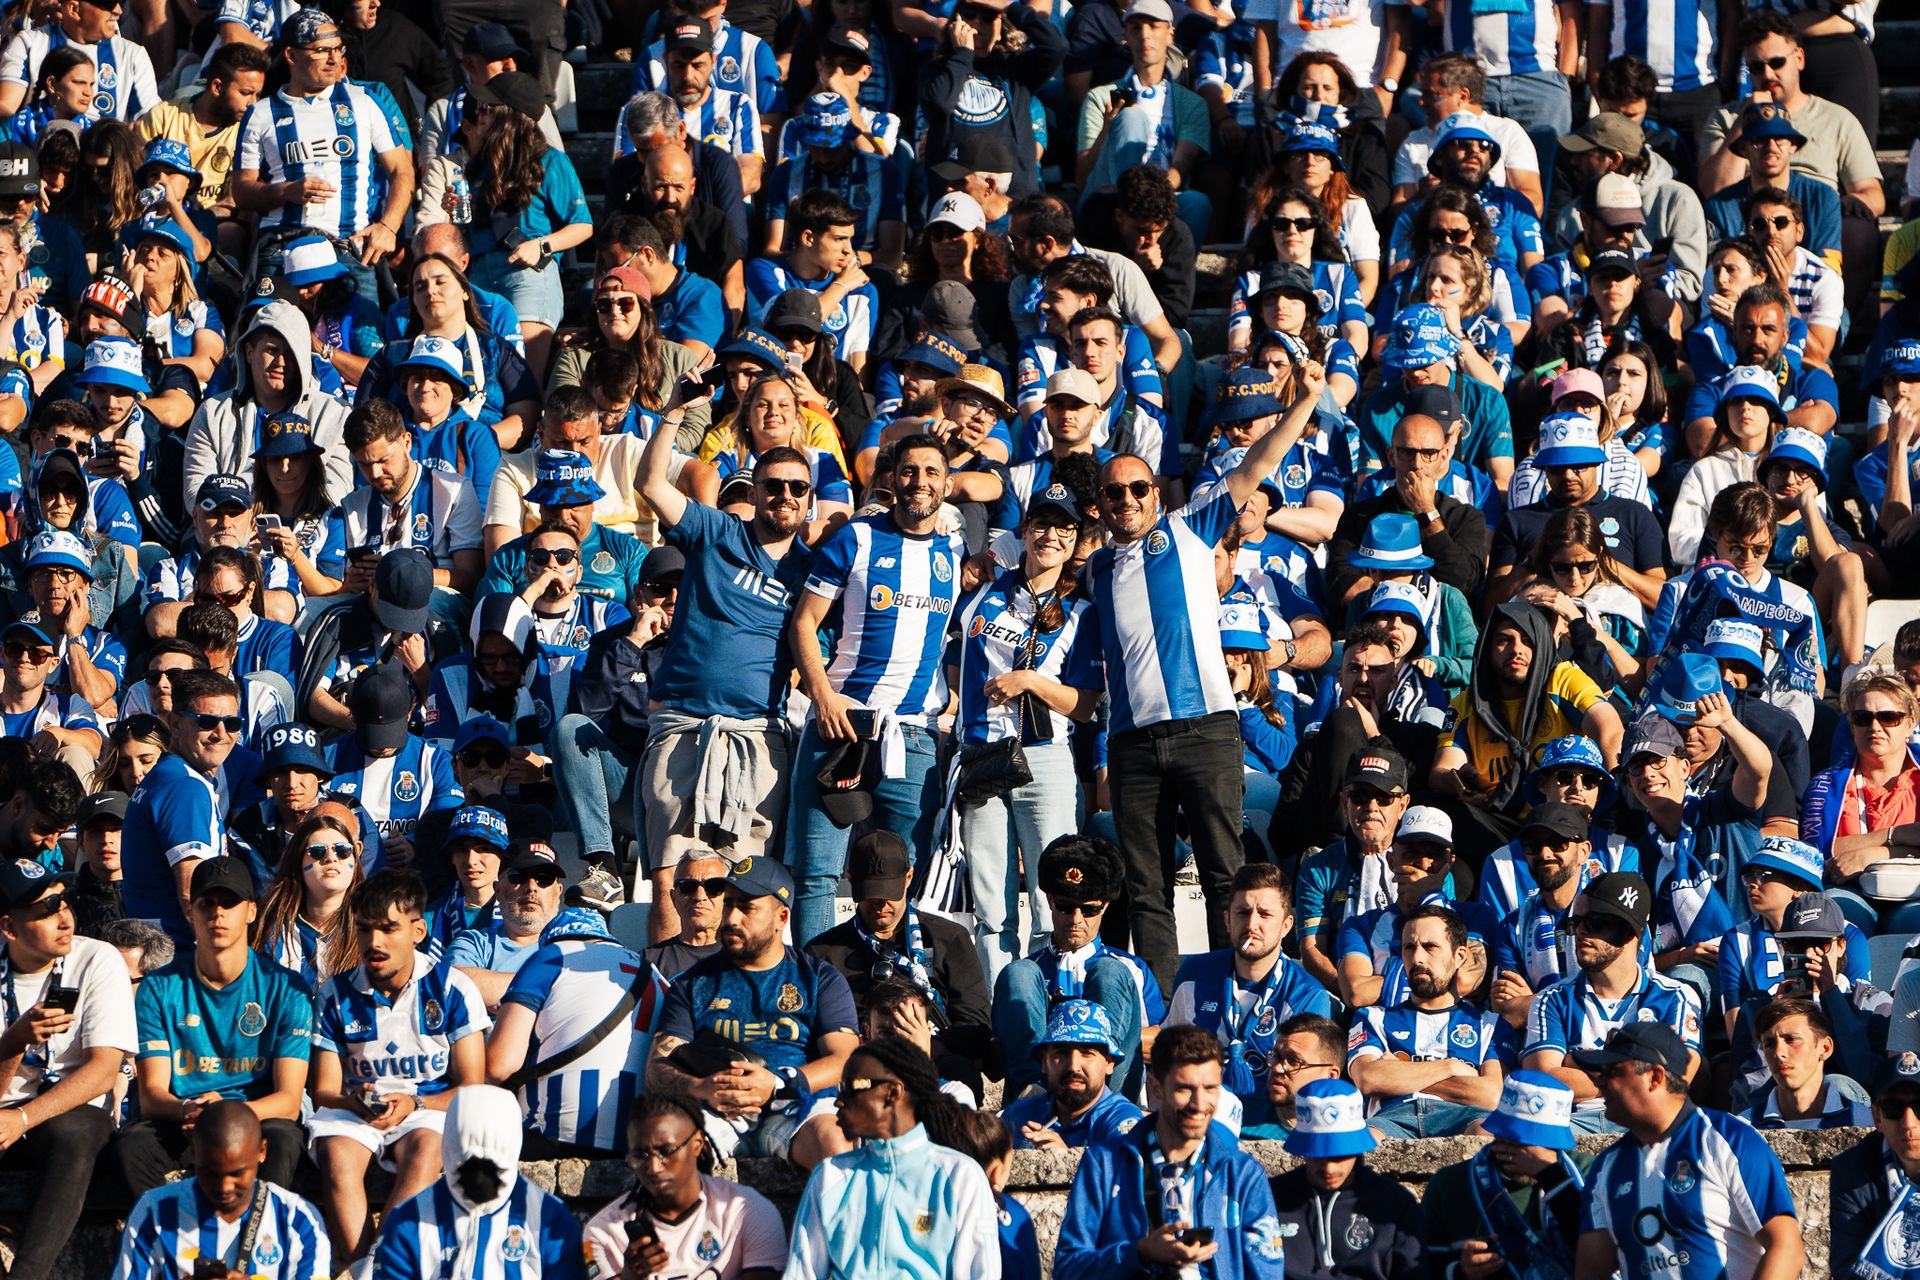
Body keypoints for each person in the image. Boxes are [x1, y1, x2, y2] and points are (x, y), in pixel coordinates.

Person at [1088, 360, 1324, 988]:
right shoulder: (1095, 569)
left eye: (1138, 488)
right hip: (1132, 744)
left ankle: (1236, 1000)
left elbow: (1258, 464)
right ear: (1100, 504)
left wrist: (1306, 402)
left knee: (1225, 875)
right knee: (1147, 889)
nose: (1127, 499)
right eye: (1113, 492)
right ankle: (1169, 1010)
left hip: (1206, 731)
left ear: (1156, 494)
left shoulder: (1190, 527)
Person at [635, 393, 812, 936]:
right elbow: (650, 484)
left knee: (745, 886)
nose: (784, 496)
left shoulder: (813, 571)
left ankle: (731, 978)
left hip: (759, 738)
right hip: (683, 727)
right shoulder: (715, 532)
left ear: (809, 500)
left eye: (797, 488)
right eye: (773, 486)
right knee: (672, 878)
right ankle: (667, 979)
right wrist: (674, 412)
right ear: (754, 492)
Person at [783, 435, 966, 945]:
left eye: (931, 472)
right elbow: (804, 622)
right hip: (842, 727)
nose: (919, 482)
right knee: (818, 875)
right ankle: (821, 983)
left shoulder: (957, 550)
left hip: (915, 736)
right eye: (909, 471)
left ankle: (895, 977)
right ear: (891, 479)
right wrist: (822, 697)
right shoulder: (856, 539)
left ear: (948, 485)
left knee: (905, 876)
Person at [951, 482, 1102, 979]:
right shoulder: (982, 591)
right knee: (991, 905)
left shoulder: (1082, 611)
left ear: (1076, 537)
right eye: (1042, 524)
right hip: (981, 755)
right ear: (1025, 529)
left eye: (1064, 528)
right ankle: (1001, 1007)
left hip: (1045, 757)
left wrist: (1030, 681)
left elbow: (1085, 707)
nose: (1051, 536)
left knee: (1050, 899)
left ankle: (1046, 997)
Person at [308, 869, 488, 1265]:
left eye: (389, 929)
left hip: (427, 1108)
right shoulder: (334, 993)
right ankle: (372, 1270)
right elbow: (323, 1091)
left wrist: (415, 1104)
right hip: (357, 1112)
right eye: (364, 929)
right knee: (336, 1154)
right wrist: (354, 1101)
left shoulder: (453, 988)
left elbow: (473, 1088)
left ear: (418, 931)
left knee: (427, 1147)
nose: (374, 942)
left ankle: (375, 1269)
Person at [119, 857, 312, 1198]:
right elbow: (152, 1097)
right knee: (134, 1144)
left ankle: (257, 1230)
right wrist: (187, 1110)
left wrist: (226, 1114)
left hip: (255, 1114)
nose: (217, 913)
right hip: (186, 1115)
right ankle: (169, 1231)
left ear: (251, 911)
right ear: (189, 911)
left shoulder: (286, 988)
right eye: (206, 903)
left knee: (282, 1139)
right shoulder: (158, 988)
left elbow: (288, 1101)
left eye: (229, 902)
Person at [646, 857, 859, 1167]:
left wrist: (777, 1084)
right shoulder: (692, 983)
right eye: (729, 904)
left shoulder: (818, 978)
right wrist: (701, 1088)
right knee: (669, 1148)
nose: (732, 918)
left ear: (781, 917)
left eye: (747, 908)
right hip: (715, 1110)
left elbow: (845, 1059)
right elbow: (657, 1067)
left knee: (835, 1143)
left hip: (795, 1106)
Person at [1053, 1025, 1287, 1280]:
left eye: (1210, 1089)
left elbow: (1267, 1272)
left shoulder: (1243, 1173)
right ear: (1156, 1089)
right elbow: (1068, 1268)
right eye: (1184, 1089)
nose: (1199, 1104)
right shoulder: (1104, 1163)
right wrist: (1139, 1253)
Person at [1573, 1022, 1803, 1280]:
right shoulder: (1606, 1167)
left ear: (1655, 1077)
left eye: (1613, 1072)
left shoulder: (1730, 1139)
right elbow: (1591, 1271)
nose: (1600, 1083)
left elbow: (1787, 1249)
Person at [0, 856, 135, 1280]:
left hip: (65, 1113)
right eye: (45, 910)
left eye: (64, 901)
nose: (64, 918)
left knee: (77, 1132)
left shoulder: (97, 959)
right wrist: (15, 1042)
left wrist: (24, 1118)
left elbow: (103, 1070)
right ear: (9, 928)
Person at [230, 9, 411, 300]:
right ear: (291, 55)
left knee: (363, 329)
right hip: (282, 244)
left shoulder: (365, 102)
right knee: (271, 327)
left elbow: (402, 170)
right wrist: (286, 191)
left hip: (349, 245)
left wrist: (388, 226)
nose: (334, 59)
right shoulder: (260, 114)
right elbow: (241, 190)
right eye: (322, 51)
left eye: (338, 49)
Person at [787, 1038, 1000, 1280]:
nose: (838, 1100)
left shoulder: (959, 1175)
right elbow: (800, 1273)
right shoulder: (831, 1175)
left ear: (891, 1093)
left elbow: (980, 1274)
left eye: (850, 1087)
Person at [1522, 872, 1702, 1133]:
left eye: (1594, 922)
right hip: (1570, 1124)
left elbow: (1675, 1081)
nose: (1580, 932)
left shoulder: (1676, 996)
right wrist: (1635, 1071)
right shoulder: (1551, 999)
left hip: (1649, 1125)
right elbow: (1541, 1081)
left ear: (1630, 930)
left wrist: (1578, 1064)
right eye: (1575, 923)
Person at [1162, 863, 1333, 1130]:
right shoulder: (1194, 973)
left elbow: (1306, 1089)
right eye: (1242, 913)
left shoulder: (1307, 995)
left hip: (1270, 1127)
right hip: (1198, 1121)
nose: (1252, 924)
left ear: (1286, 925)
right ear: (1227, 920)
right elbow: (1167, 1054)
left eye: (1265, 914)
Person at [993, 835, 1162, 1101]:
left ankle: (1100, 1101)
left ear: (1105, 906)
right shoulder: (1027, 974)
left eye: (1089, 910)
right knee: (1019, 973)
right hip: (1041, 1090)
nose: (1076, 919)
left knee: (1110, 972)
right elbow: (996, 1051)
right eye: (1065, 906)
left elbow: (1161, 1041)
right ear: (1050, 901)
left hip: (1110, 1088)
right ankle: (1036, 1098)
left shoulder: (1130, 968)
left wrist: (1071, 1035)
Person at [804, 831, 992, 1069]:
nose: (880, 904)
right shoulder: (821, 952)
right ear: (850, 879)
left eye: (888, 892)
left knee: (960, 1070)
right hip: (858, 1066)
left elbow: (975, 1023)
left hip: (934, 1061)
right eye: (870, 893)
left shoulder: (950, 938)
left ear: (909, 877)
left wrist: (924, 1048)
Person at [369, 1084, 584, 1280]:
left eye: (492, 1169)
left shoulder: (550, 1220)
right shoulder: (408, 1222)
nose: (479, 1181)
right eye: (467, 1168)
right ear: (448, 1152)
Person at [112, 1101, 331, 1280]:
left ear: (262, 1151)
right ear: (194, 1152)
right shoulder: (153, 1211)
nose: (224, 1187)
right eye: (210, 1173)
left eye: (237, 1174)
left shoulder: (298, 1220)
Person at [580, 1093, 788, 1280]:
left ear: (697, 1143)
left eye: (666, 1151)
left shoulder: (747, 1211)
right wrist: (629, 1278)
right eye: (640, 1156)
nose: (654, 1168)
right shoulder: (601, 1232)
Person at [1348, 904, 1507, 1137]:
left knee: (1486, 1134)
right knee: (1365, 1140)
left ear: (1459, 956)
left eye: (1430, 947)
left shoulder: (1490, 1024)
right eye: (1409, 947)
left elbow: (1490, 1095)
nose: (1417, 958)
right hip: (1391, 1119)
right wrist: (1450, 1067)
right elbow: (1368, 1079)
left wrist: (1399, 1072)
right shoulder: (1372, 1017)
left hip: (1464, 1118)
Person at [118, 670, 246, 948]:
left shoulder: (169, 776)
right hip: (175, 950)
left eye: (232, 723)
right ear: (175, 725)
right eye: (206, 722)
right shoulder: (185, 786)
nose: (221, 734)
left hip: (154, 944)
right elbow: (192, 892)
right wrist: (219, 954)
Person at [1420, 1071, 1591, 1280]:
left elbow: (1606, 1256)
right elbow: (1420, 1267)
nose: (1527, 1151)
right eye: (1516, 1139)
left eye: (1542, 1142)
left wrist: (1551, 1175)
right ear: (1498, 1134)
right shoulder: (1450, 1185)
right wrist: (1459, 1272)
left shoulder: (1587, 1173)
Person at [1266, 1078, 1425, 1280]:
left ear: (1357, 1150)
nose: (1328, 1168)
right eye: (1317, 1155)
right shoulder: (1270, 1198)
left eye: (1339, 1155)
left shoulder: (1394, 1203)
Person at [999, 999, 1144, 1148]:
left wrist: (1066, 1157)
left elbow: (1124, 1162)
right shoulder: (1018, 1116)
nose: (1074, 1067)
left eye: (1087, 1054)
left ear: (1109, 1063)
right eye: (1062, 1053)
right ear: (1044, 1062)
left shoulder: (1124, 1121)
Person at [446, 841, 562, 1010]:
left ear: (558, 891)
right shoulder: (474, 942)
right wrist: (554, 986)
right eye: (518, 877)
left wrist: (495, 995)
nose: (531, 887)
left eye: (544, 879)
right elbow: (452, 985)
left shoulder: (574, 944)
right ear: (498, 889)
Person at [1829, 1070, 1920, 1280]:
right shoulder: (1853, 1169)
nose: (1908, 1123)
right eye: (1893, 1109)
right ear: (1877, 1117)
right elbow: (1848, 1267)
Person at [1742, 996, 1871, 1130]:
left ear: (1825, 1048)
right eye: (1769, 1044)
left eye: (1791, 1039)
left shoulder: (1865, 1122)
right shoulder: (1741, 1129)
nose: (1779, 1053)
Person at [642, 852, 727, 980]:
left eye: (714, 887)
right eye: (688, 886)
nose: (699, 897)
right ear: (673, 897)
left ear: (728, 897)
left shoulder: (747, 959)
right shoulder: (648, 962)